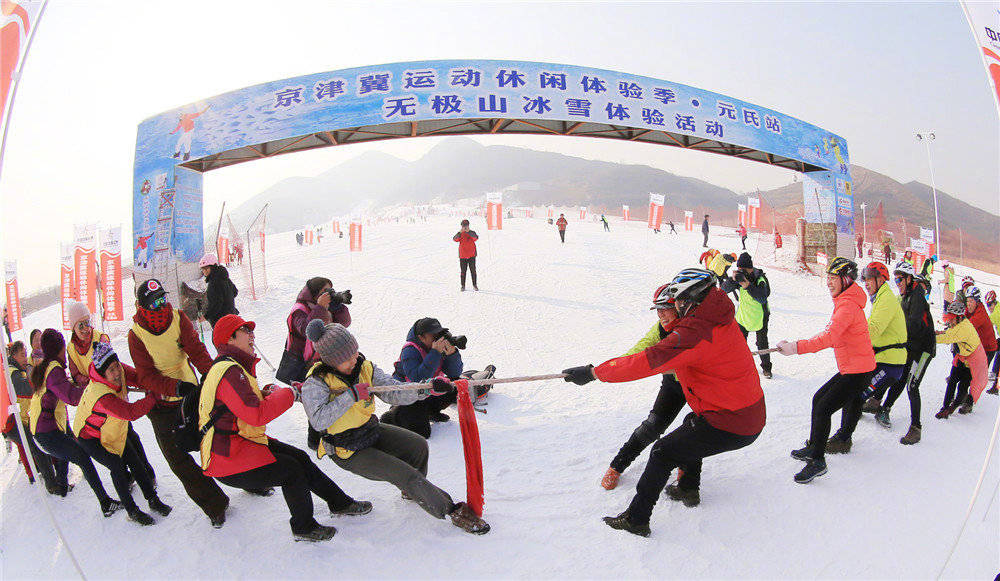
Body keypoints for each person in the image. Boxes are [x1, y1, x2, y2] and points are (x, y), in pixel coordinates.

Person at [562, 268, 765, 537]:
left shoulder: (695, 333)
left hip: (733, 419)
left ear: (691, 299)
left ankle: (636, 519)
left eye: (677, 302)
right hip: (741, 411)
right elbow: (640, 353)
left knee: (663, 452)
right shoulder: (716, 315)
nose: (674, 308)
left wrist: (593, 373)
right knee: (690, 427)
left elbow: (644, 362)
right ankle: (688, 488)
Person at [301, 320, 490, 535]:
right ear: (332, 361)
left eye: (355, 352)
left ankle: (413, 491)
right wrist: (350, 396)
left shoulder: (364, 367)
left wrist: (426, 389)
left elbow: (394, 391)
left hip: (369, 430)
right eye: (347, 357)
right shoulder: (316, 382)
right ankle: (452, 511)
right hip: (347, 448)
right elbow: (318, 420)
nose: (355, 358)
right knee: (406, 474)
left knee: (418, 446)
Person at [200, 315, 370, 542]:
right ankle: (303, 527)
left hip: (240, 443)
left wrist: (267, 393)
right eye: (245, 331)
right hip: (226, 457)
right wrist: (289, 394)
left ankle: (340, 503)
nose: (252, 336)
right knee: (290, 470)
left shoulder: (233, 367)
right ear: (229, 339)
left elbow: (241, 405)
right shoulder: (229, 370)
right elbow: (256, 414)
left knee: (299, 458)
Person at [127, 278, 231, 527]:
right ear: (143, 307)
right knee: (178, 460)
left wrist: (210, 373)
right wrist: (172, 387)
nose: (161, 305)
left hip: (191, 394)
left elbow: (195, 349)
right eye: (155, 302)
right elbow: (145, 375)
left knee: (217, 439)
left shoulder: (178, 318)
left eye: (163, 298)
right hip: (162, 402)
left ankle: (245, 477)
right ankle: (214, 504)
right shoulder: (136, 334)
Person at [775, 257, 875, 484]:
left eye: (832, 278)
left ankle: (818, 461)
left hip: (858, 372)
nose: (828, 283)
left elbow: (829, 337)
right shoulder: (846, 301)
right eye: (827, 278)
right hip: (853, 368)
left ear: (846, 280)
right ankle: (814, 448)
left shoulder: (848, 305)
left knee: (823, 408)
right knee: (818, 399)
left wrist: (795, 347)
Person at [600, 285, 688, 494]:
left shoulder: (695, 327)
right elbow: (639, 351)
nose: (661, 314)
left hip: (700, 384)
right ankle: (617, 466)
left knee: (696, 428)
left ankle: (688, 470)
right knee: (653, 426)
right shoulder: (660, 328)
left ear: (678, 306)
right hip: (674, 384)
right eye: (657, 309)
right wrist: (605, 371)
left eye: (665, 308)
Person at [72, 343, 172, 525]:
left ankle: (153, 499)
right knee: (117, 466)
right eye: (111, 370)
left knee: (136, 461)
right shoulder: (101, 395)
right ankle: (132, 511)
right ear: (102, 374)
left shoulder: (118, 370)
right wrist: (153, 397)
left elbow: (139, 378)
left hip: (112, 429)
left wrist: (156, 384)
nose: (117, 372)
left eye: (117, 365)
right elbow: (130, 412)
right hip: (90, 437)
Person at [29, 329, 123, 515]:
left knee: (71, 450)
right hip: (45, 434)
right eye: (63, 347)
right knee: (81, 455)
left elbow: (66, 389)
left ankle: (62, 487)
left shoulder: (47, 366)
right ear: (59, 348)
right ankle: (105, 503)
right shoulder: (53, 370)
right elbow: (72, 397)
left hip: (48, 429)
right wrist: (97, 390)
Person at [275, 277, 351, 450]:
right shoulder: (298, 310)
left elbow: (344, 323)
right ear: (315, 293)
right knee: (314, 401)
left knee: (330, 397)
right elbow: (307, 330)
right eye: (325, 291)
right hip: (304, 363)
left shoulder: (324, 306)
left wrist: (337, 305)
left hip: (323, 358)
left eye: (331, 290)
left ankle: (331, 434)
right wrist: (320, 307)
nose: (328, 294)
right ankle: (314, 440)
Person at [865, 263, 935, 444]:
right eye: (895, 279)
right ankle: (881, 405)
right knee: (900, 376)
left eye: (900, 279)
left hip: (924, 350)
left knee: (912, 386)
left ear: (909, 279)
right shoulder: (904, 297)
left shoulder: (917, 295)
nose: (897, 283)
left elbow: (913, 324)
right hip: (912, 345)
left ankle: (916, 428)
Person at [835, 261, 906, 441]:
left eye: (869, 279)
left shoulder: (887, 300)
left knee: (854, 393)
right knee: (854, 393)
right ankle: (848, 427)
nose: (866, 283)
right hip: (882, 357)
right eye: (864, 279)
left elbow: (873, 330)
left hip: (890, 363)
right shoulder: (881, 298)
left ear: (881, 279)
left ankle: (844, 438)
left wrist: (850, 336)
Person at [381, 317, 463, 438]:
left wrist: (452, 355)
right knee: (422, 433)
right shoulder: (410, 350)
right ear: (421, 337)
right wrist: (435, 353)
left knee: (455, 387)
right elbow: (418, 379)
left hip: (429, 391)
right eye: (433, 335)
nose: (438, 338)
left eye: (438, 333)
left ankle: (430, 412)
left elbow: (454, 373)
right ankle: (393, 416)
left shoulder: (437, 347)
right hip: (409, 396)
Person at [5, 341, 58, 491]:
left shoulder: (17, 368)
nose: (25, 357)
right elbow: (26, 388)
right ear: (14, 355)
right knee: (37, 447)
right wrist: (43, 382)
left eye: (25, 353)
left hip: (21, 419)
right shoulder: (12, 372)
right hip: (14, 422)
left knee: (35, 446)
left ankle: (44, 474)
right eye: (22, 355)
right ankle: (52, 484)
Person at [720, 252, 772, 379]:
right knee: (739, 344)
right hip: (743, 316)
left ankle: (766, 368)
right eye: (739, 269)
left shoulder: (760, 278)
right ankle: (738, 367)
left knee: (762, 344)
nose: (741, 271)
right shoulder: (740, 277)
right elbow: (723, 290)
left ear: (750, 268)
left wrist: (747, 285)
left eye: (743, 269)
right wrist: (732, 280)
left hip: (760, 316)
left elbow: (762, 298)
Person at [935, 300, 987, 417]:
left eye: (951, 318)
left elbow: (947, 338)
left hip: (974, 362)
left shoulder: (964, 328)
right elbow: (949, 333)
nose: (950, 321)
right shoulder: (959, 324)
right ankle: (945, 407)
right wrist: (937, 332)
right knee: (952, 381)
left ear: (959, 317)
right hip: (963, 357)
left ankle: (951, 408)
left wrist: (930, 337)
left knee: (962, 387)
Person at [957, 286, 997, 412]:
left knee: (976, 377)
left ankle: (969, 403)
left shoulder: (980, 313)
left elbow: (968, 326)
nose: (968, 304)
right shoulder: (970, 310)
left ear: (977, 301)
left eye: (971, 301)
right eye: (967, 301)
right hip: (977, 347)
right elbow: (962, 318)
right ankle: (962, 397)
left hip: (988, 349)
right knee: (968, 373)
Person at [199, 252, 239, 327]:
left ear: (213, 267)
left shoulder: (214, 282)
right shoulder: (224, 277)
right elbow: (234, 292)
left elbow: (216, 304)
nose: (204, 271)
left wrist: (206, 316)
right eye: (203, 269)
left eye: (207, 268)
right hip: (231, 317)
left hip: (221, 322)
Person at [453, 219, 479, 291]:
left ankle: (474, 285)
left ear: (468, 226)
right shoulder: (460, 234)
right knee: (463, 271)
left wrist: (469, 232)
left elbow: (476, 238)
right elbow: (454, 239)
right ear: (461, 226)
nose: (465, 227)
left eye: (466, 226)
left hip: (472, 255)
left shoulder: (472, 233)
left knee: (473, 271)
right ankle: (463, 285)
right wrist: (459, 232)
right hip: (463, 256)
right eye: (463, 226)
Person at [986, 290, 999, 393]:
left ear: (995, 302)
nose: (989, 307)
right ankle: (994, 373)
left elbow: (986, 324)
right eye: (987, 305)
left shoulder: (996, 313)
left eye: (990, 305)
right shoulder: (997, 308)